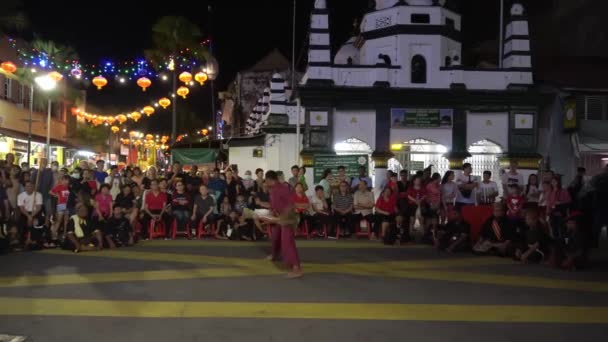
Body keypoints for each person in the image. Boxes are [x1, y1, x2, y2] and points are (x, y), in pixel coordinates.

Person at [264, 170, 302, 279]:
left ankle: (296, 268)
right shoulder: (273, 190)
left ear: (269, 180)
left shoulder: (282, 188)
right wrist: (270, 214)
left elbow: (291, 204)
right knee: (275, 236)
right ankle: (274, 254)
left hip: (288, 218)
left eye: (266, 181)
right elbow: (273, 204)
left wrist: (283, 217)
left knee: (287, 243)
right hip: (280, 217)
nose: (265, 183)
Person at [18, 181, 51, 249]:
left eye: (30, 186)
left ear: (33, 187)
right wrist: (28, 216)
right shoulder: (20, 196)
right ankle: (23, 240)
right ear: (25, 187)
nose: (29, 188)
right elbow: (21, 208)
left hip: (35, 212)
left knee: (37, 222)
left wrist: (32, 215)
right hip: (25, 213)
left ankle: (37, 239)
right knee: (21, 223)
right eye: (27, 186)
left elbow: (39, 207)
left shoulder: (38, 195)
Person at [49, 175, 71, 240]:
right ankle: (54, 234)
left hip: (67, 205)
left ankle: (64, 233)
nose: (65, 181)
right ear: (61, 180)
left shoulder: (69, 187)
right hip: (61, 205)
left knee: (66, 221)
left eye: (67, 180)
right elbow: (50, 192)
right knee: (59, 220)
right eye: (64, 180)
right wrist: (57, 195)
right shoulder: (59, 186)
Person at [424, 173, 441, 239]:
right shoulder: (430, 185)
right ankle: (426, 234)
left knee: (435, 221)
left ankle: (433, 235)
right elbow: (427, 196)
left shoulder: (439, 185)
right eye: (439, 178)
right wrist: (431, 204)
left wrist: (438, 205)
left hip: (437, 205)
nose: (440, 179)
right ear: (436, 178)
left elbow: (439, 195)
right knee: (430, 220)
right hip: (430, 205)